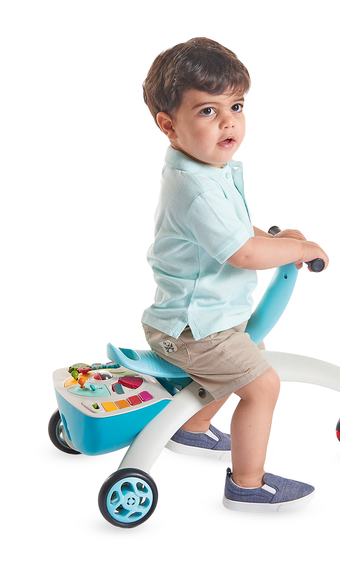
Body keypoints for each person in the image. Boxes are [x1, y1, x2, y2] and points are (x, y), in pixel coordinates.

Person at [141, 37, 329, 512]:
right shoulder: (198, 187)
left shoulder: (204, 169)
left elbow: (234, 231)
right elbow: (242, 253)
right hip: (194, 331)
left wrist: (277, 238)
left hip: (209, 320)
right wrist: (298, 249)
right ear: (169, 125)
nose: (228, 122)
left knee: (248, 360)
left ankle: (192, 428)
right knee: (261, 385)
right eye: (208, 111)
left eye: (236, 106)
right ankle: (248, 485)